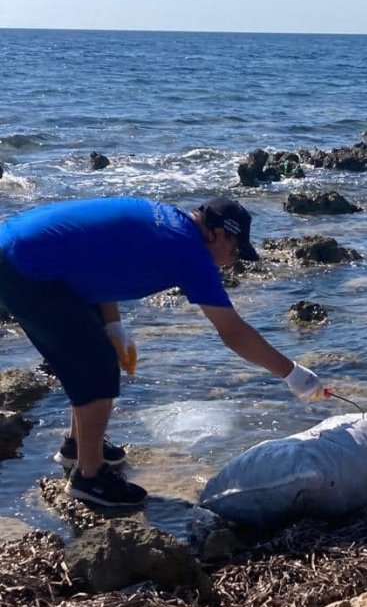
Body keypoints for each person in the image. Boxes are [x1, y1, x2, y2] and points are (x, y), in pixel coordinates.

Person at [0, 195, 323, 507]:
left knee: (94, 354)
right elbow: (233, 332)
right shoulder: (189, 252)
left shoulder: (166, 221)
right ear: (220, 234)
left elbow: (99, 263)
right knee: (96, 366)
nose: (231, 260)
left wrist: (113, 324)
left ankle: (78, 446)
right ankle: (89, 478)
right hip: (22, 266)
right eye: (235, 249)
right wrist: (293, 373)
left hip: (22, 248)